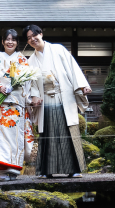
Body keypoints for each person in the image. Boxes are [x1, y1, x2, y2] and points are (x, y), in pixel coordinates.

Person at [25, 25, 91, 178]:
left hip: (63, 95)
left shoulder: (58, 49)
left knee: (68, 130)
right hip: (45, 99)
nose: (32, 39)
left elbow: (72, 68)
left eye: (34, 35)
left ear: (41, 34)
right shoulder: (31, 60)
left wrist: (82, 85)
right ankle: (46, 170)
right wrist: (34, 96)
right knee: (48, 133)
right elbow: (31, 83)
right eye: (29, 38)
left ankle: (74, 169)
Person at [0, 29, 37, 180]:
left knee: (15, 139)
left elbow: (28, 83)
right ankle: (1, 172)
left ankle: (13, 170)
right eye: (7, 39)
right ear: (3, 41)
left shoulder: (22, 59)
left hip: (17, 106)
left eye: (13, 39)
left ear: (17, 42)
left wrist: (25, 95)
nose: (10, 42)